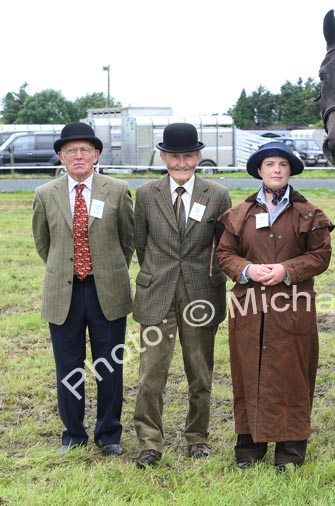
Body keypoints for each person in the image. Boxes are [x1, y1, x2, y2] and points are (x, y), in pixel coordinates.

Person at [217, 142, 334, 472]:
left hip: (292, 307)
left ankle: (290, 450)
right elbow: (224, 253)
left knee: (292, 373)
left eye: (283, 164)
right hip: (248, 307)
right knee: (248, 372)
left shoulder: (308, 214)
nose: (277, 169)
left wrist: (287, 271)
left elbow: (320, 256)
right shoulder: (239, 215)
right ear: (259, 171)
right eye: (270, 164)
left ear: (290, 171)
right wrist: (248, 269)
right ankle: (249, 447)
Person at [132, 123, 231, 468]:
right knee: (150, 376)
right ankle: (149, 442)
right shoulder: (145, 194)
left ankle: (197, 437)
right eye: (174, 156)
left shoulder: (217, 195)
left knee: (200, 372)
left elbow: (222, 245)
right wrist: (160, 274)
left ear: (198, 156)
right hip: (157, 293)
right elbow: (141, 245)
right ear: (163, 157)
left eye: (188, 156)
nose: (181, 163)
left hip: (202, 294)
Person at [32, 122, 134, 456]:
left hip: (107, 291)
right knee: (68, 366)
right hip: (65, 293)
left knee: (110, 365)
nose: (78, 156)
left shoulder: (117, 190)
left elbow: (127, 241)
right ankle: (73, 434)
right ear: (61, 156)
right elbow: (44, 244)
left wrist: (105, 270)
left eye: (85, 150)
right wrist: (68, 269)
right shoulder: (45, 195)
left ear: (97, 155)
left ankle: (109, 434)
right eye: (71, 150)